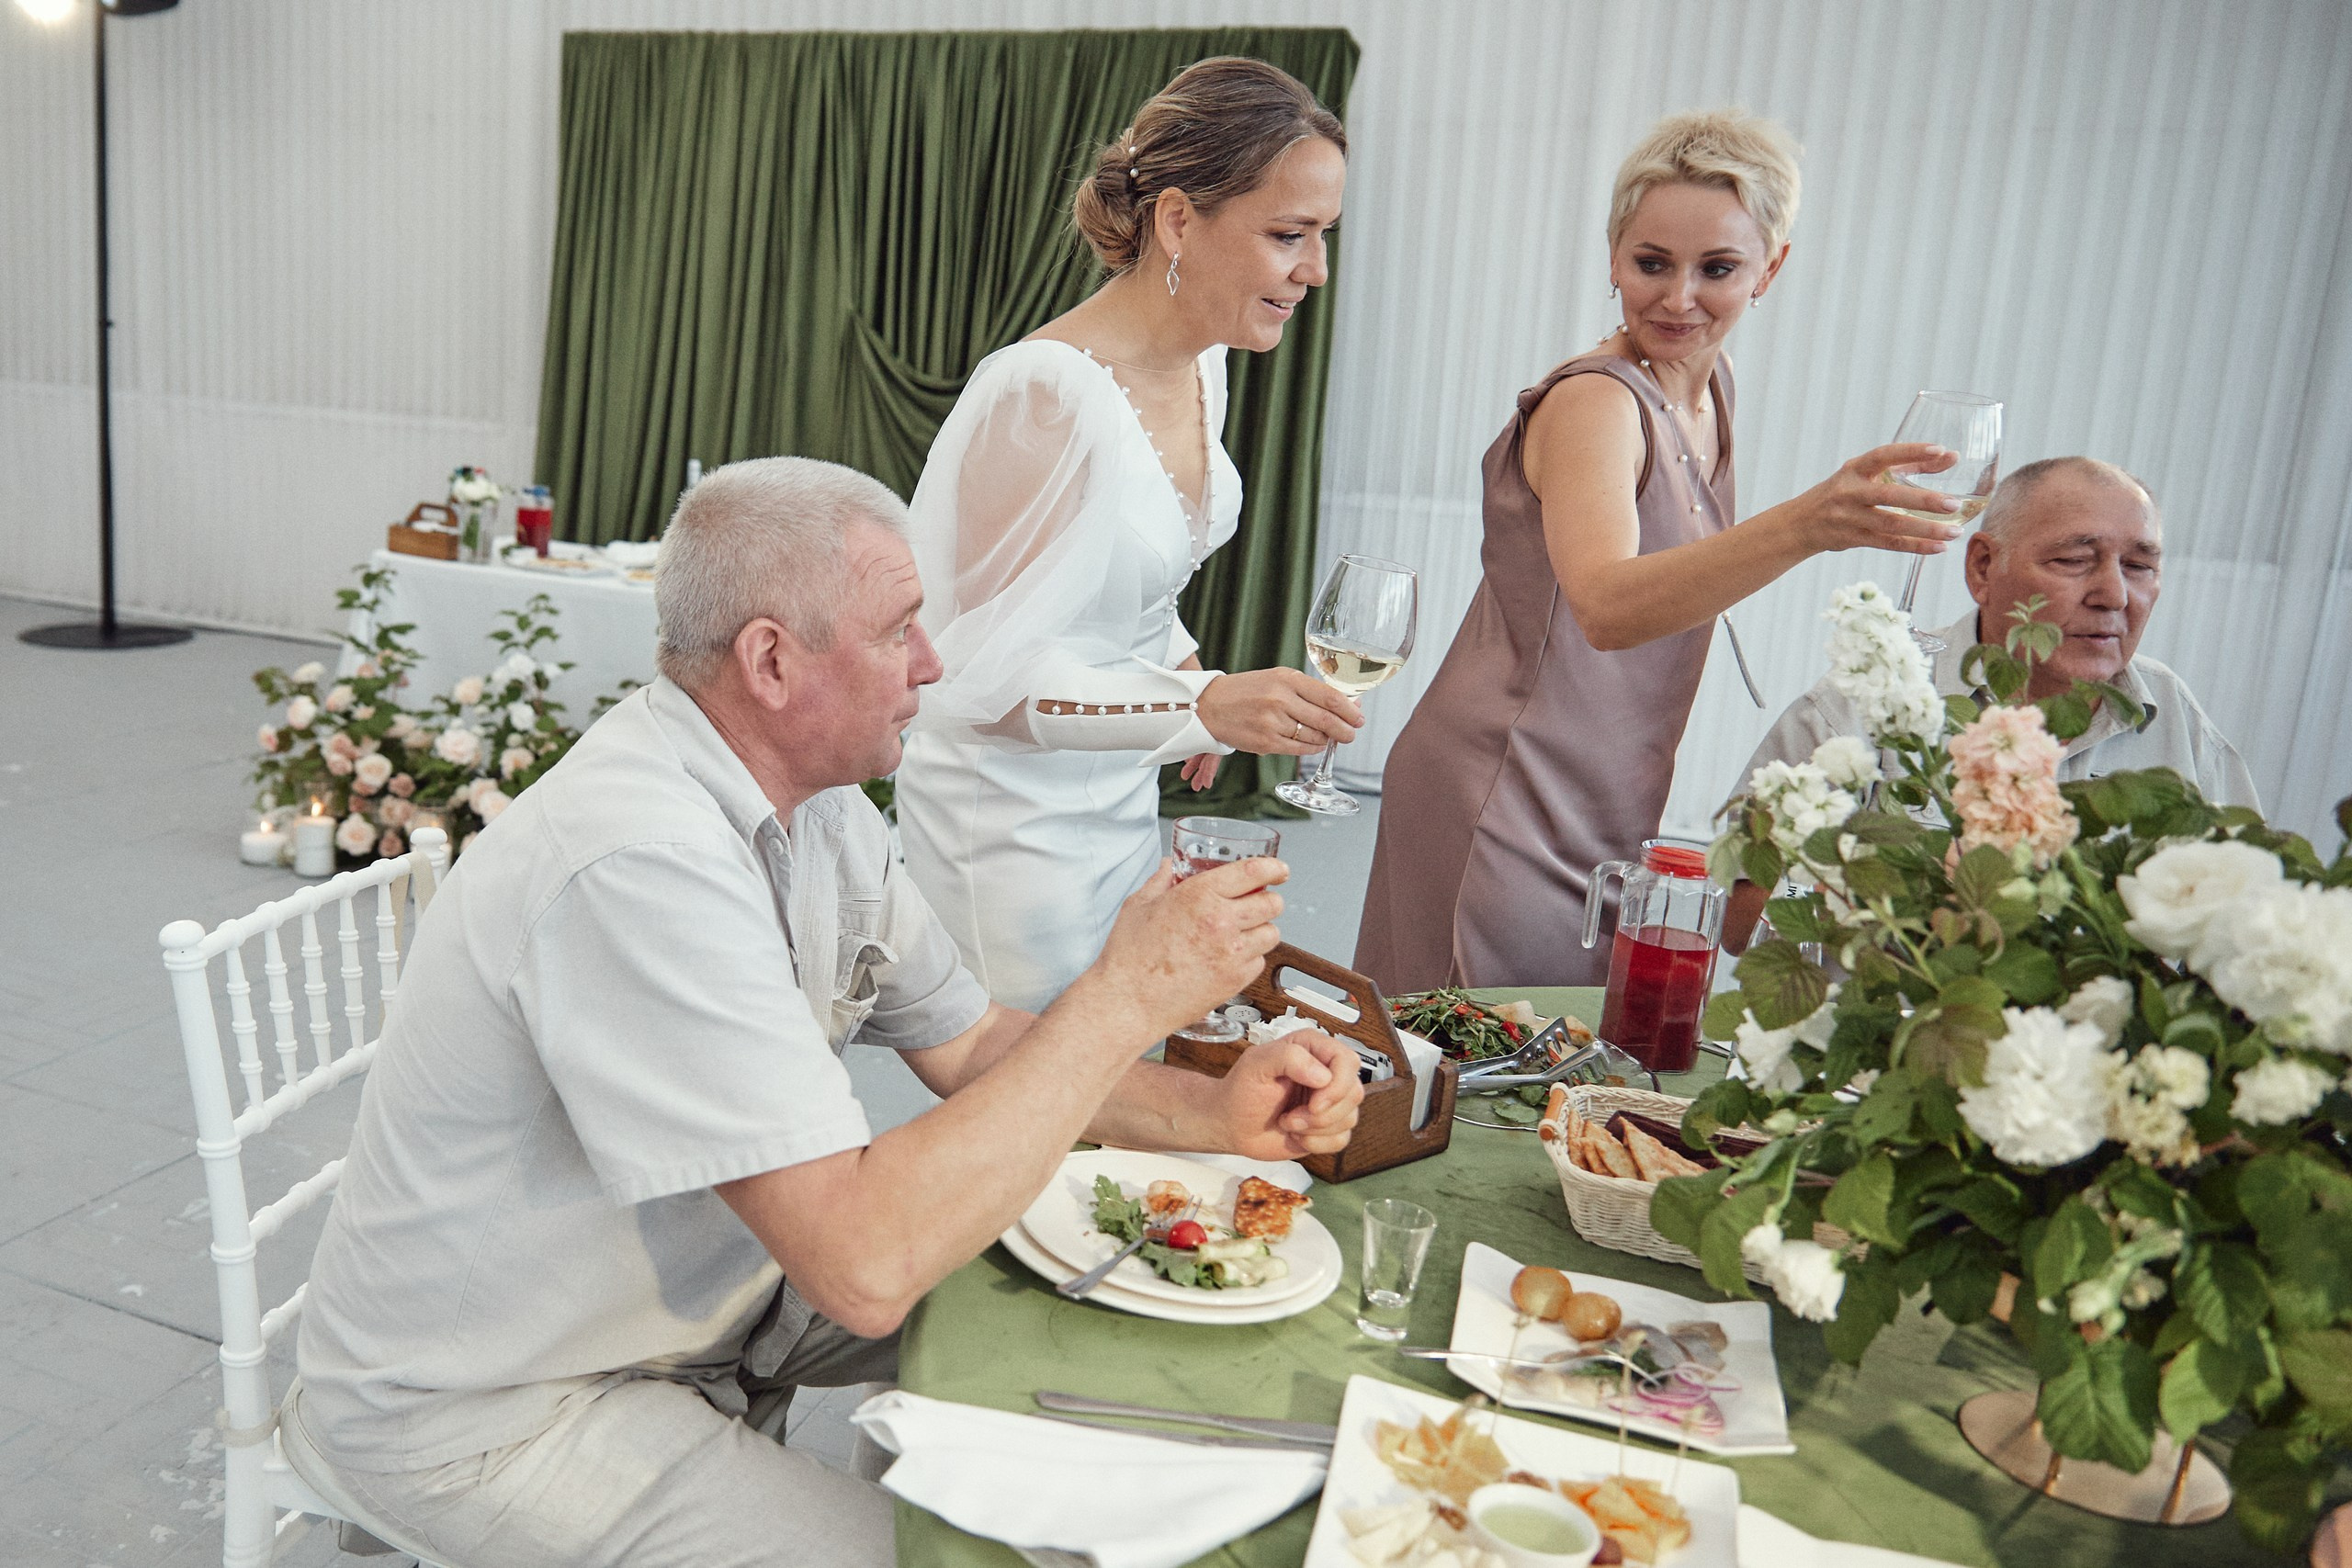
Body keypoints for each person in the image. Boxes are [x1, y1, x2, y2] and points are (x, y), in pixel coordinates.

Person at [283, 457, 1363, 1568]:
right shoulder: (638, 860)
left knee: (1102, 1323)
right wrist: (1124, 995)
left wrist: (1215, 1114)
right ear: (771, 660)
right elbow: (862, 1264)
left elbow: (971, 1044)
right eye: (900, 630)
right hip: (499, 1403)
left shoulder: (820, 809)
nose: (932, 665)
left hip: (720, 1301)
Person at [1354, 107, 1972, 992]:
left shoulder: (1709, 386)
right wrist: (1809, 524)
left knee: (1552, 1065)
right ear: (1612, 257)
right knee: (1465, 1065)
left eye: (1718, 268)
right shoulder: (1596, 406)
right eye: (1651, 263)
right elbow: (1606, 604)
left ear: (1772, 268)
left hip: (1608, 797)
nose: (1680, 298)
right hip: (1500, 787)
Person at [897, 58, 1359, 1011]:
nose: (1314, 271)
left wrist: (1183, 664)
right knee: (1038, 1105)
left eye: (1321, 238)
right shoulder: (1041, 394)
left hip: (1115, 797)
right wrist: (1198, 710)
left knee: (1119, 1086)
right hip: (1012, 831)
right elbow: (975, 680)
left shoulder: (1205, 368)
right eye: (1289, 235)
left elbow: (1117, 575)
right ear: (1179, 220)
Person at [1720, 457, 2258, 944]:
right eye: (2075, 559)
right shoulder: (1872, 699)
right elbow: (1739, 921)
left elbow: (2252, 922)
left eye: (2139, 567)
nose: (2114, 595)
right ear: (1982, 568)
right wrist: (1912, 904)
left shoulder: (2174, 718)